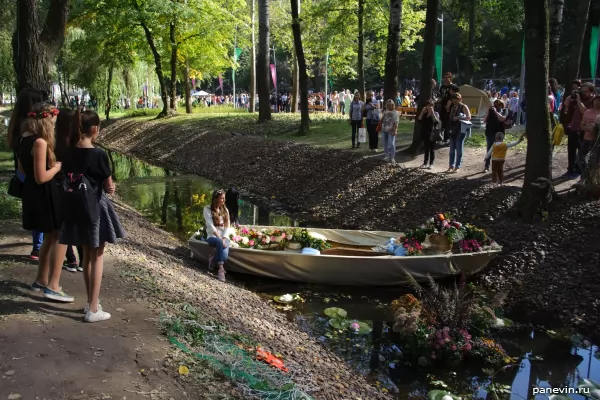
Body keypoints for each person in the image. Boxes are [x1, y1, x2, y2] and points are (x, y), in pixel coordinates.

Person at [60, 108, 125, 322]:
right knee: (97, 256)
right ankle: (93, 308)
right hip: (94, 208)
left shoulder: (67, 151)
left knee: (86, 255)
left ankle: (91, 302)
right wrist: (112, 188)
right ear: (95, 129)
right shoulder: (98, 154)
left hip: (74, 208)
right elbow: (107, 186)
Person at [18, 103, 73, 302]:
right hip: (45, 193)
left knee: (49, 237)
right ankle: (54, 285)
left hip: (32, 192)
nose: (54, 125)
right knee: (60, 236)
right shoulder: (39, 142)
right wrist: (57, 167)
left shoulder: (23, 138)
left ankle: (41, 280)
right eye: (53, 121)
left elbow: (23, 171)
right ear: (46, 120)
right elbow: (41, 177)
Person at [7, 89, 47, 260]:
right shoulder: (31, 126)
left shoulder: (16, 122)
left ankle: (38, 244)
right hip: (34, 171)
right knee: (43, 207)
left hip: (21, 171)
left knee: (33, 207)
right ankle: (39, 247)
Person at [54, 108, 84, 272]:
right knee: (79, 224)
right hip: (79, 189)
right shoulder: (79, 144)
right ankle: (83, 260)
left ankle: (71, 259)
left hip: (60, 188)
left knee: (63, 226)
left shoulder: (54, 144)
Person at [561, 81, 594, 179]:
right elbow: (565, 104)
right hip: (573, 128)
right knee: (571, 150)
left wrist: (579, 100)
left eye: (585, 92)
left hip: (584, 130)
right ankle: (570, 169)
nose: (582, 94)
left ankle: (579, 171)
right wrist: (571, 97)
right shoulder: (576, 99)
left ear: (591, 92)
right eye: (581, 91)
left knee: (582, 153)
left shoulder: (593, 100)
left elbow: (585, 112)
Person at [203, 189, 230, 281]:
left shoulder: (225, 210)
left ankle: (212, 259)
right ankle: (221, 270)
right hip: (212, 236)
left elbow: (227, 226)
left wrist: (224, 237)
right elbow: (210, 226)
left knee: (225, 257)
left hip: (224, 237)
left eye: (224, 198)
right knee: (218, 242)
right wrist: (220, 239)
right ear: (216, 199)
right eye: (222, 198)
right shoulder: (207, 209)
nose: (224, 200)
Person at [577, 96, 600, 183]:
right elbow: (581, 125)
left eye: (599, 100)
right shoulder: (587, 112)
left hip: (597, 142)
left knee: (595, 161)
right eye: (595, 100)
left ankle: (592, 179)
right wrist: (586, 128)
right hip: (587, 139)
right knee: (580, 158)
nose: (597, 102)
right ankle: (584, 177)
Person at [447, 93, 471, 173]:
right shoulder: (453, 107)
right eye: (453, 99)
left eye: (456, 99)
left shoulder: (463, 106)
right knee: (452, 148)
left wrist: (458, 117)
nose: (454, 100)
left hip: (461, 129)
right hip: (452, 129)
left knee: (459, 147)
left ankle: (457, 166)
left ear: (460, 99)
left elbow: (468, 117)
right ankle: (451, 165)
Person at [483, 99, 507, 172]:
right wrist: (488, 112)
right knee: (489, 149)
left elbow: (502, 119)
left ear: (501, 105)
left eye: (498, 105)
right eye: (495, 104)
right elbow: (484, 121)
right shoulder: (491, 111)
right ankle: (486, 166)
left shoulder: (504, 111)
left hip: (499, 133)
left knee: (499, 149)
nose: (496, 106)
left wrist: (496, 112)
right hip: (490, 132)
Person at [418, 100, 439, 169]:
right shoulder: (424, 113)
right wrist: (422, 112)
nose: (429, 107)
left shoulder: (436, 113)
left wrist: (432, 114)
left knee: (432, 149)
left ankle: (431, 163)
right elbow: (419, 119)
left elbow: (437, 121)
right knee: (426, 148)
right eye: (428, 105)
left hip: (432, 133)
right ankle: (425, 163)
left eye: (431, 105)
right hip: (425, 132)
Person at [380, 99, 399, 164]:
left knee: (392, 143)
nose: (388, 106)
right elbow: (382, 120)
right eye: (387, 105)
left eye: (390, 105)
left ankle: (392, 157)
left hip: (391, 130)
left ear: (393, 105)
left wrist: (395, 130)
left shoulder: (395, 112)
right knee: (385, 143)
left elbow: (396, 122)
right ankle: (387, 156)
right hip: (384, 129)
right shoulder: (385, 111)